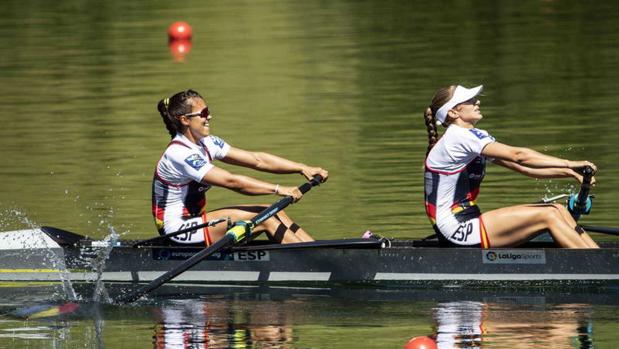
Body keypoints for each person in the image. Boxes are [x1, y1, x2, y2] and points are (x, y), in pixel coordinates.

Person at [423, 84, 599, 249]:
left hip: (468, 220)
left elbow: (524, 169)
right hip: (456, 228)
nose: (477, 102)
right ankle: (599, 266)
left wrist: (570, 173)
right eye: (469, 100)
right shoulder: (458, 137)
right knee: (549, 214)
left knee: (559, 209)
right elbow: (520, 157)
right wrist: (570, 163)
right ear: (453, 112)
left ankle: (599, 257)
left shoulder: (470, 137)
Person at [153, 89, 328, 245]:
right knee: (266, 218)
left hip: (197, 221)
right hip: (177, 229)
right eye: (203, 113)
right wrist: (278, 189)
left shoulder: (208, 143)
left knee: (275, 212)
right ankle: (317, 264)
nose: (209, 117)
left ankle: (319, 252)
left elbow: (257, 159)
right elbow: (232, 181)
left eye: (209, 111)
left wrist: (302, 167)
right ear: (185, 120)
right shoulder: (178, 154)